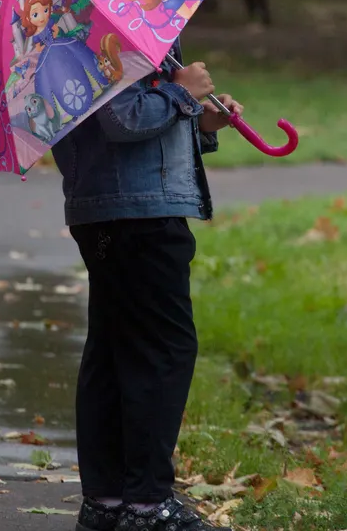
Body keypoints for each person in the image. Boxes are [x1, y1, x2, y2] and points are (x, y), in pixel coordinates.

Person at [53, 44, 240, 531]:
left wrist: (199, 122)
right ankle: (146, 504)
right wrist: (181, 93)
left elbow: (124, 126)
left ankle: (108, 500)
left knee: (114, 353)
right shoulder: (104, 29)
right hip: (138, 213)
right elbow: (121, 119)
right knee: (164, 350)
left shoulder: (89, 28)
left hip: (116, 208)